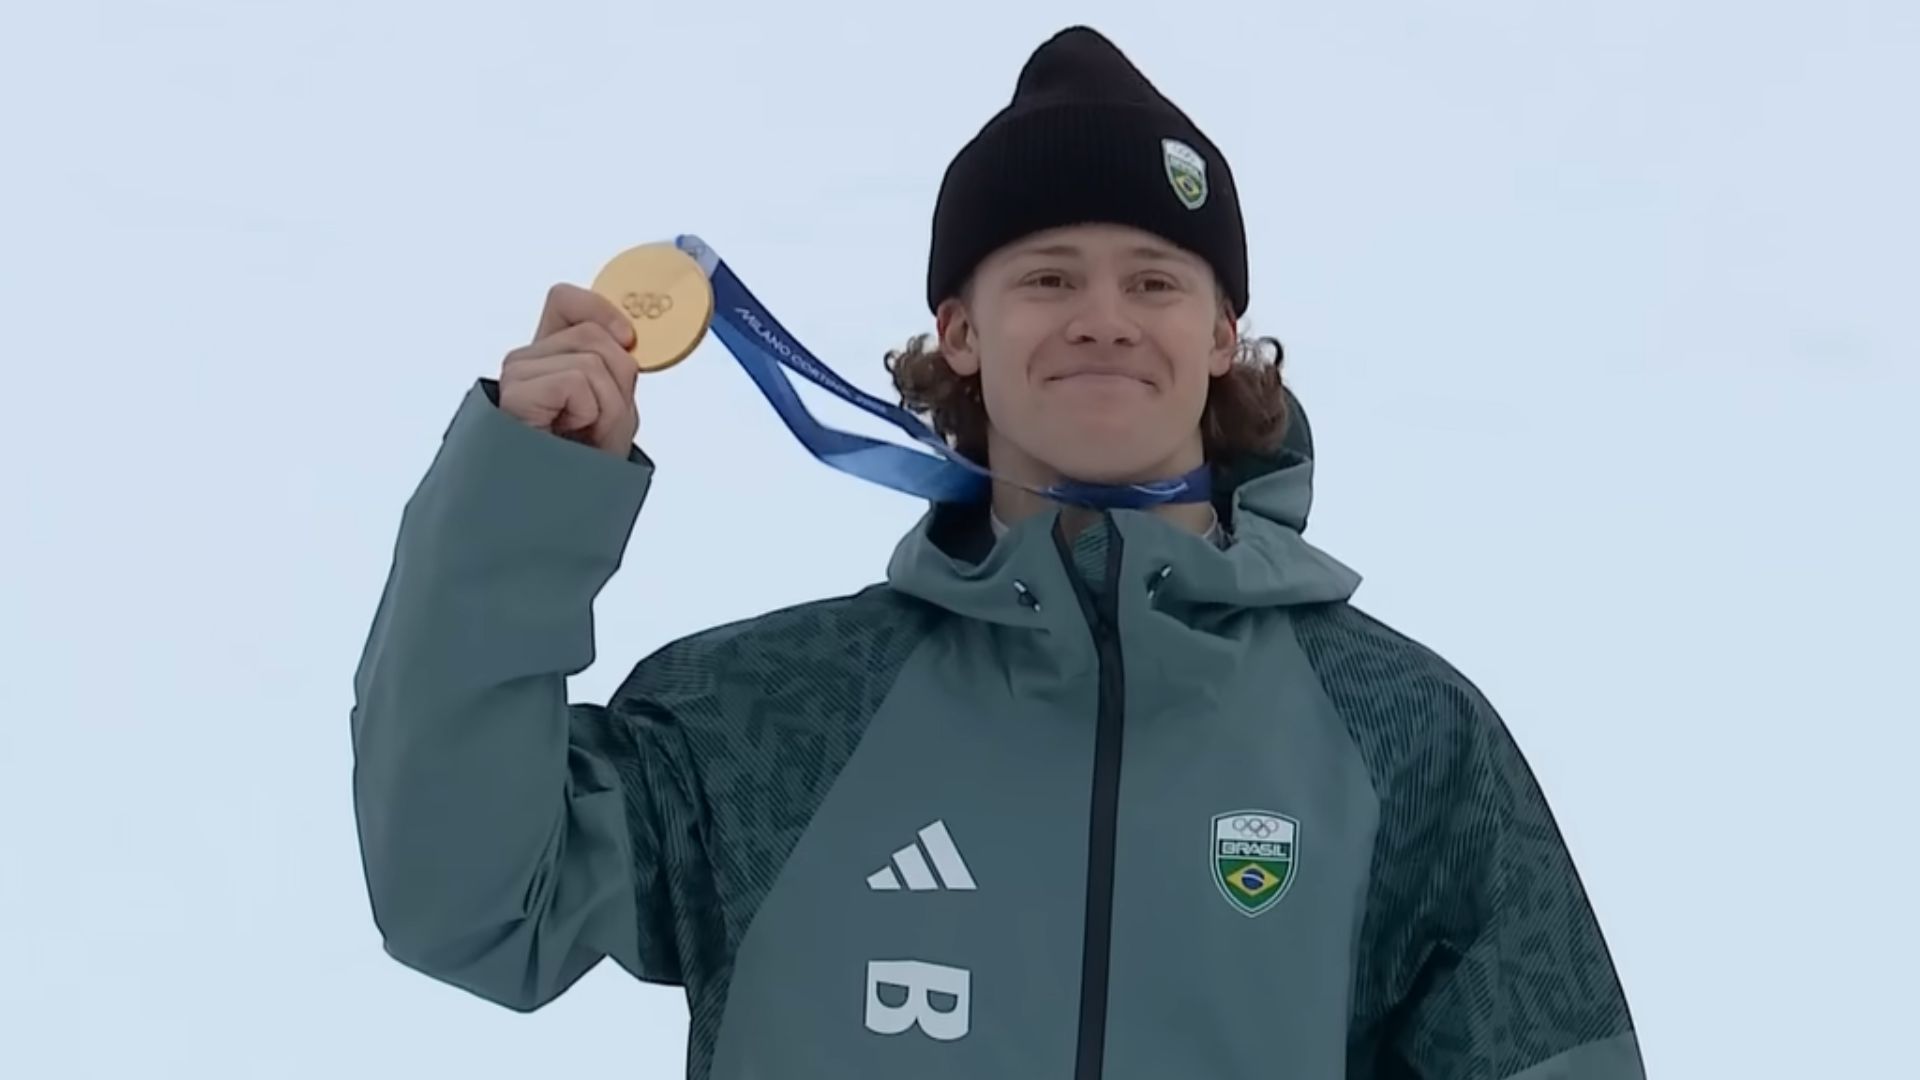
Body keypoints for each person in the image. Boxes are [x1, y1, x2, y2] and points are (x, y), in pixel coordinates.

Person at [350, 24, 1646, 1080]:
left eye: (1154, 281)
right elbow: (472, 905)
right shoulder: (777, 717)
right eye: (1047, 278)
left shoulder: (1402, 734)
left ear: (1221, 338)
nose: (1102, 318)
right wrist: (525, 496)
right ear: (960, 332)